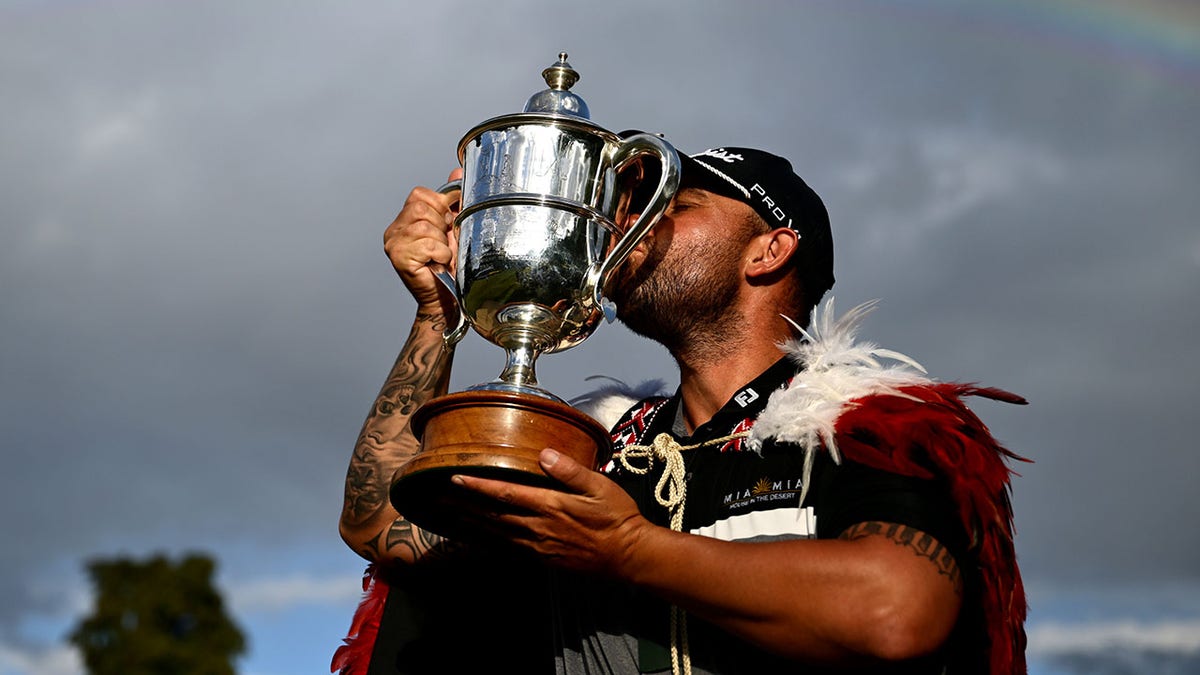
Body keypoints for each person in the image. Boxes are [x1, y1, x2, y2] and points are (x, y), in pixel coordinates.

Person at [335, 146, 1028, 675]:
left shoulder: (862, 429)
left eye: (675, 205)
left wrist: (628, 549)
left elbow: (895, 611)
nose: (629, 227)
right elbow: (380, 523)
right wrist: (438, 314)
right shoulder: (601, 450)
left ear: (769, 250)